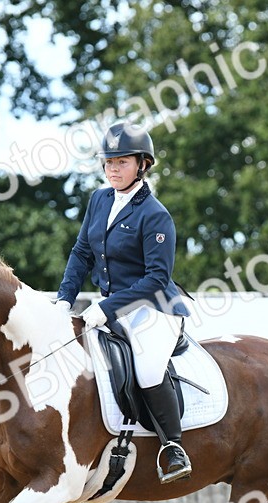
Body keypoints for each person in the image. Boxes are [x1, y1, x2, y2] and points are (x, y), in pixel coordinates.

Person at [54, 121, 192, 484]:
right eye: (109, 162)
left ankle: (172, 447)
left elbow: (156, 279)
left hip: (154, 309)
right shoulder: (99, 200)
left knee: (146, 370)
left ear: (142, 165)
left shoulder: (155, 215)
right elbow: (82, 251)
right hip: (112, 307)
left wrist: (106, 308)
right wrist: (64, 298)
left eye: (123, 162)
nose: (113, 169)